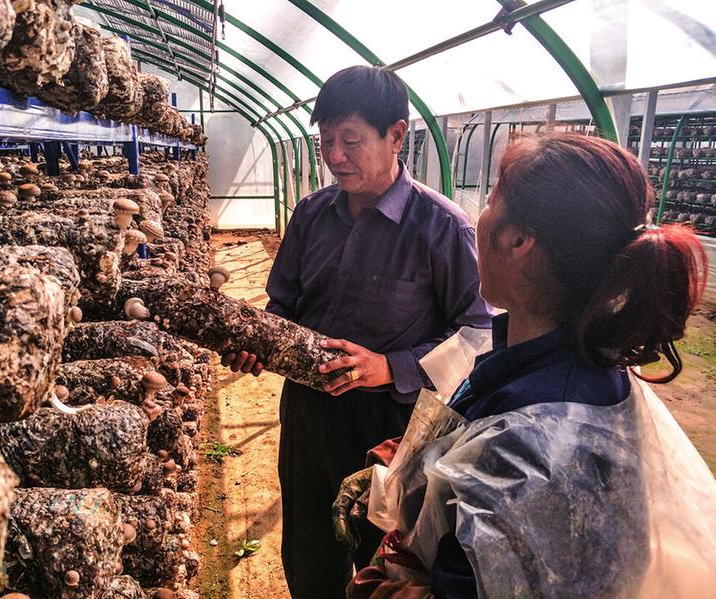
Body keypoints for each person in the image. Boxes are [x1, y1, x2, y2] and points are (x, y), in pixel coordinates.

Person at [337, 133, 714, 598]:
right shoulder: (571, 362)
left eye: (492, 199)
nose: (481, 216)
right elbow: (470, 452)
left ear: (517, 240)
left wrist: (378, 589)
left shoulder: (527, 447)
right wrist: (403, 465)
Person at [221, 65, 493, 599]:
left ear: (396, 135)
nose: (335, 156)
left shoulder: (442, 227)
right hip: (308, 412)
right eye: (326, 141)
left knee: (383, 560)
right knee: (309, 550)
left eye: (351, 141)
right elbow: (283, 305)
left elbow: (477, 334)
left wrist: (389, 366)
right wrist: (261, 345)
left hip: (389, 428)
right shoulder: (312, 214)